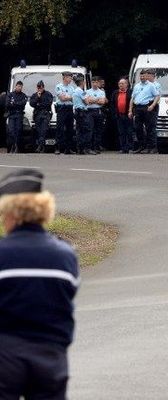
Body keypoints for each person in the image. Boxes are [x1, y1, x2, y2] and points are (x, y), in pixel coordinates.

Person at [0, 169, 80, 399]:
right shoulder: (66, 256)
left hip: (6, 355)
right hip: (50, 354)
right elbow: (67, 297)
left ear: (12, 214)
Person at [130, 69, 160, 154]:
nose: (142, 77)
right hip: (138, 108)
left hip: (147, 107)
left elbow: (157, 96)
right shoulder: (137, 86)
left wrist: (152, 105)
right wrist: (130, 110)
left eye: (144, 76)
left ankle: (153, 147)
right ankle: (141, 146)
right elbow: (132, 98)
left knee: (150, 128)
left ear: (146, 76)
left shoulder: (151, 85)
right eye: (141, 76)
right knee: (138, 128)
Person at [29, 80, 54, 153]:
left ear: (43, 87)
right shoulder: (35, 95)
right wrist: (38, 97)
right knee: (39, 130)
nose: (39, 89)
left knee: (43, 130)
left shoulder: (48, 94)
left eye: (41, 87)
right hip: (37, 114)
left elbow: (48, 103)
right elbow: (32, 103)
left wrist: (39, 104)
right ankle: (42, 146)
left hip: (45, 114)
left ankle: (40, 146)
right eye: (38, 87)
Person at [72, 76, 95, 155]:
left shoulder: (76, 90)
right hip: (82, 112)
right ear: (82, 82)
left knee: (80, 131)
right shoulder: (80, 91)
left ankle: (80, 149)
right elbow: (87, 102)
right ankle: (86, 148)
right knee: (87, 130)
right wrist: (91, 99)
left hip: (78, 112)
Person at [54, 72, 76, 154]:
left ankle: (68, 148)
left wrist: (68, 97)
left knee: (70, 129)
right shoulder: (59, 86)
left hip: (69, 108)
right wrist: (70, 97)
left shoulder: (72, 88)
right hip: (61, 108)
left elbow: (74, 99)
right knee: (60, 128)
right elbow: (62, 98)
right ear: (65, 77)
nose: (71, 79)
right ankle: (57, 148)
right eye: (70, 77)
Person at [111, 78, 134, 153]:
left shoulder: (130, 92)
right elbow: (112, 104)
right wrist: (114, 113)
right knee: (121, 132)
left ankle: (130, 148)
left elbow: (134, 103)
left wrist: (132, 112)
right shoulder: (115, 92)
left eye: (123, 83)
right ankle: (123, 148)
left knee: (129, 132)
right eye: (119, 84)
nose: (121, 85)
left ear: (127, 84)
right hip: (119, 115)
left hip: (128, 115)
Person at [85, 76, 108, 153]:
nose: (95, 84)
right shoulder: (87, 91)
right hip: (89, 111)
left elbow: (102, 102)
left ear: (99, 83)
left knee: (98, 130)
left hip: (98, 111)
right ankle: (89, 147)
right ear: (91, 83)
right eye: (93, 82)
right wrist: (97, 99)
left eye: (96, 82)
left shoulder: (101, 92)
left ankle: (96, 147)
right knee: (90, 129)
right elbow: (88, 101)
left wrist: (93, 100)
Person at [5, 81, 28, 153]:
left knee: (18, 131)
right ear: (16, 86)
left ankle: (16, 146)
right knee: (11, 131)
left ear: (22, 87)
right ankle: (13, 145)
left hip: (19, 115)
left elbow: (22, 104)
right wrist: (17, 104)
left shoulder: (24, 95)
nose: (19, 88)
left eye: (20, 86)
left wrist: (14, 103)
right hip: (12, 115)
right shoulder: (10, 95)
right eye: (18, 86)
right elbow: (7, 104)